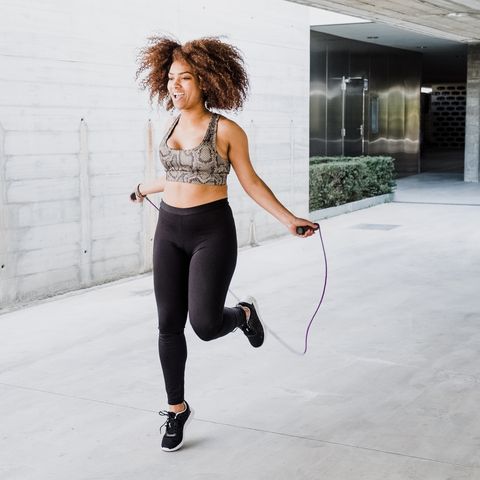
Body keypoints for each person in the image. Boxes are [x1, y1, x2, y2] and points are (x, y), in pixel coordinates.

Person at [132, 35, 317, 452]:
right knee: (167, 325)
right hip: (169, 231)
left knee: (204, 324)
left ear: (208, 80)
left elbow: (250, 181)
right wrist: (144, 186)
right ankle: (176, 409)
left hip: (210, 232)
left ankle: (243, 314)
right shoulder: (173, 122)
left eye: (185, 78)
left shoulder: (226, 130)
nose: (175, 86)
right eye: (170, 78)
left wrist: (289, 220)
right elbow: (179, 173)